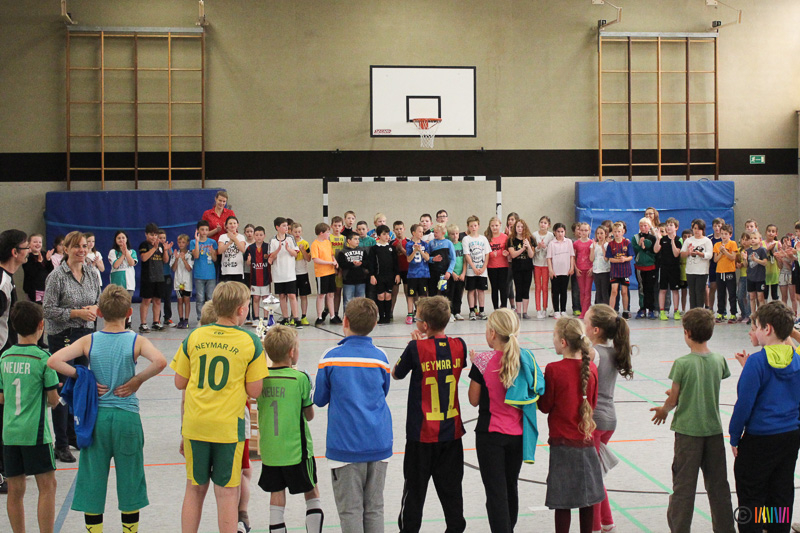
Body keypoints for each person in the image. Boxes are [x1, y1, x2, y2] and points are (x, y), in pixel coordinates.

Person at [48, 285, 167, 533]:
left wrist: (83, 377)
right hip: (127, 418)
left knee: (92, 480)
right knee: (130, 480)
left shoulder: (89, 340)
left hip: (97, 419)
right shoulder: (136, 340)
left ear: (99, 313)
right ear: (129, 313)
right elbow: (160, 361)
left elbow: (54, 360)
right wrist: (137, 380)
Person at [171, 281, 269, 533]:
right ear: (241, 310)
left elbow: (179, 382)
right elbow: (254, 390)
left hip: (195, 425)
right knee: (227, 492)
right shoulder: (250, 341)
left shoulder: (195, 336)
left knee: (194, 488)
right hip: (227, 428)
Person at [650, 308, 735, 533]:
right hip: (713, 430)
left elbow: (674, 399)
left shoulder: (682, 363)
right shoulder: (719, 360)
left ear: (687, 332)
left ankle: (680, 529)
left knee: (683, 488)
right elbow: (706, 385)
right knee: (719, 487)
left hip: (688, 434)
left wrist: (664, 410)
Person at [313, 298, 392, 533]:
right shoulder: (381, 357)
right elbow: (384, 391)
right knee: (375, 509)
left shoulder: (330, 357)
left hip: (345, 447)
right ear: (375, 323)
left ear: (344, 321)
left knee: (350, 511)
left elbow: (319, 399)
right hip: (378, 443)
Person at [393, 296, 468, 533]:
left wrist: (414, 346)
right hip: (451, 434)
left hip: (421, 436)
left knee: (414, 495)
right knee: (453, 495)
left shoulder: (416, 348)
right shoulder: (460, 345)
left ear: (424, 325)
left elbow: (396, 373)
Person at [729, 302, 800, 533]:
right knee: (780, 491)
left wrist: (734, 436)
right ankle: (776, 528)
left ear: (767, 329)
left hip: (760, 439)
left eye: (757, 327)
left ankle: (753, 528)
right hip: (790, 436)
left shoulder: (756, 362)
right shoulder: (798, 360)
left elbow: (744, 404)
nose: (755, 331)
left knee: (751, 492)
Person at [538, 317, 604, 533]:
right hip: (586, 441)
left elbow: (545, 406)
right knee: (587, 498)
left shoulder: (553, 369)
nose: (553, 341)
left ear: (563, 342)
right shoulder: (591, 368)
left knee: (562, 501)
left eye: (554, 337)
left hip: (562, 443)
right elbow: (592, 403)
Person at [257, 325, 324, 533]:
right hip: (297, 451)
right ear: (292, 352)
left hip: (270, 451)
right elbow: (309, 415)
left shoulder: (261, 379)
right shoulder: (300, 378)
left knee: (276, 495)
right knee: (311, 491)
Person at [0, 301, 59, 532]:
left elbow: (2, 397)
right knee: (47, 486)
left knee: (15, 490)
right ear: (41, 325)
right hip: (35, 434)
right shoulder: (43, 358)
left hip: (10, 432)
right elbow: (53, 399)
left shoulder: (4, 357)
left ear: (13, 326)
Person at [43, 230, 100, 463]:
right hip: (62, 336)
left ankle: (73, 434)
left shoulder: (92, 273)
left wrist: (95, 309)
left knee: (79, 385)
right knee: (62, 388)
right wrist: (76, 313)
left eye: (84, 246)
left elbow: (98, 301)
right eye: (76, 246)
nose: (81, 250)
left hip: (85, 335)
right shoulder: (56, 276)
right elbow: (48, 310)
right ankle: (61, 443)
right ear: (66, 249)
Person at [468, 308, 527, 532]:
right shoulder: (524, 359)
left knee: (495, 493)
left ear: (492, 333)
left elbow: (473, 400)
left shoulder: (483, 361)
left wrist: (475, 365)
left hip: (490, 436)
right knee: (511, 486)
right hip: (517, 435)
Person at [584, 304, 634, 533]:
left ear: (595, 330)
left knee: (592, 478)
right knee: (595, 475)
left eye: (586, 322)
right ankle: (607, 522)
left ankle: (595, 527)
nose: (583, 325)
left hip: (595, 420)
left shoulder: (593, 354)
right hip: (609, 420)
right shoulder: (614, 352)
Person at [269, 217, 302, 329]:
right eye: (283, 225)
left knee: (292, 295)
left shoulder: (290, 238)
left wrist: (288, 249)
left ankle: (296, 318)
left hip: (289, 273)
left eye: (287, 225)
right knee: (282, 296)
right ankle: (285, 317)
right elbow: (271, 257)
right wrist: (278, 250)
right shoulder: (272, 240)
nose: (286, 227)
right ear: (277, 227)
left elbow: (295, 254)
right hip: (278, 273)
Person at [138, 222, 167, 332]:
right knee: (146, 300)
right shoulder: (144, 245)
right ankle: (143, 323)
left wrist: (165, 250)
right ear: (146, 234)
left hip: (159, 277)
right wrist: (154, 248)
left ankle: (156, 322)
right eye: (151, 235)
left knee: (158, 300)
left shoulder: (160, 245)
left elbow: (165, 260)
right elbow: (144, 258)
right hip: (148, 277)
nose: (154, 237)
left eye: (155, 235)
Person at [367, 225, 400, 324]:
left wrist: (397, 274)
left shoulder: (391, 248)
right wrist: (372, 275)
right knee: (381, 296)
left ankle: (388, 317)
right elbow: (371, 263)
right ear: (379, 236)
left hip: (390, 276)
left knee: (388, 295)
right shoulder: (374, 249)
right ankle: (381, 317)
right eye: (384, 234)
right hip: (379, 276)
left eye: (388, 234)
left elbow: (395, 263)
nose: (386, 236)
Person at [680, 219, 713, 310]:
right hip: (690, 271)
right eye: (695, 228)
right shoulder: (688, 240)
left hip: (702, 271)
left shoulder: (707, 241)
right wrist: (689, 252)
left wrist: (701, 254)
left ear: (703, 230)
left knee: (700, 292)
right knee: (692, 293)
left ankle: (699, 311)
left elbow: (710, 255)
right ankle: (693, 311)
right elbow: (682, 254)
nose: (696, 231)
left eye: (699, 229)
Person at [462, 215, 491, 320]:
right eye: (471, 226)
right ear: (468, 227)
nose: (473, 228)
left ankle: (482, 311)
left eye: (475, 225)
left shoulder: (483, 239)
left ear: (478, 226)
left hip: (482, 270)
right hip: (471, 271)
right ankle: (472, 311)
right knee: (471, 290)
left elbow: (487, 254)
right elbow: (467, 254)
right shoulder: (466, 239)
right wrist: (473, 268)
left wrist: (483, 267)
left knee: (481, 290)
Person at [654, 218, 683, 320]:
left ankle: (676, 311)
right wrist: (658, 239)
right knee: (662, 290)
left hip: (674, 269)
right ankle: (662, 311)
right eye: (667, 225)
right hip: (664, 268)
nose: (668, 227)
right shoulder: (663, 239)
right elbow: (656, 250)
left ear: (676, 227)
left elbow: (676, 254)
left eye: (671, 225)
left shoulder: (678, 240)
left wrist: (672, 242)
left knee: (675, 290)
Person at [310, 223, 337, 326]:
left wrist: (335, 261)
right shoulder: (315, 244)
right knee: (321, 295)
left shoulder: (328, 242)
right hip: (321, 273)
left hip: (331, 272)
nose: (329, 234)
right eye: (327, 232)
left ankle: (332, 316)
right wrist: (329, 262)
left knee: (331, 294)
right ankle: (320, 316)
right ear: (321, 233)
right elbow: (316, 259)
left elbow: (331, 255)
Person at [547, 222, 575, 319]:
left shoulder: (569, 242)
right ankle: (556, 311)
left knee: (564, 291)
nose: (560, 233)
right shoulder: (551, 243)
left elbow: (572, 256)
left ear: (565, 232)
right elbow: (549, 258)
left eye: (562, 231)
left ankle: (563, 310)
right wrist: (550, 270)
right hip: (555, 272)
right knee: (555, 291)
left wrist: (571, 267)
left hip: (565, 271)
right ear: (554, 232)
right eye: (558, 231)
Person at [507, 219, 534, 319]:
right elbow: (513, 255)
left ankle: (525, 312)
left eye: (522, 227)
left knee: (526, 289)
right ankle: (518, 312)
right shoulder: (511, 239)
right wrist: (522, 248)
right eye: (518, 227)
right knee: (518, 289)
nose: (520, 229)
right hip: (517, 268)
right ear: (515, 228)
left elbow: (531, 255)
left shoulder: (530, 239)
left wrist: (528, 247)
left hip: (527, 268)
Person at [404, 224, 431, 324]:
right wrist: (415, 250)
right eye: (419, 231)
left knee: (423, 295)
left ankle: (422, 314)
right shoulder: (409, 244)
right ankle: (410, 314)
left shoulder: (425, 244)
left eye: (422, 231)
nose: (421, 233)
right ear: (413, 233)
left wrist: (420, 251)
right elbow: (408, 259)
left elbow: (427, 258)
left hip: (423, 273)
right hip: (412, 274)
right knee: (411, 295)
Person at [606, 222, 633, 319]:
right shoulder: (610, 244)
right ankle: (611, 311)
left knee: (624, 291)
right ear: (612, 232)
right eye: (615, 231)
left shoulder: (627, 243)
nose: (617, 233)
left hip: (625, 271)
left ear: (623, 232)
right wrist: (618, 260)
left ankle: (625, 311)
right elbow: (610, 259)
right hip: (615, 271)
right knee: (614, 291)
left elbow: (630, 256)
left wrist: (625, 259)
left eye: (619, 231)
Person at [632, 218, 657, 319]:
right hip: (639, 267)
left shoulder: (653, 238)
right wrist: (639, 245)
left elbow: (655, 251)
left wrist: (646, 249)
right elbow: (634, 250)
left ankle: (651, 309)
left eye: (645, 225)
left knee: (650, 288)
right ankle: (642, 308)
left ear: (649, 226)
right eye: (641, 226)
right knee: (641, 288)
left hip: (651, 267)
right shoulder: (635, 237)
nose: (643, 227)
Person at [713, 223, 739, 323]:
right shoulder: (717, 245)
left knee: (732, 293)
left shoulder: (733, 244)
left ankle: (733, 313)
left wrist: (725, 251)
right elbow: (715, 260)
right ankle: (721, 313)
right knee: (720, 294)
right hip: (720, 272)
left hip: (730, 272)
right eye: (722, 234)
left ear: (730, 235)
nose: (723, 236)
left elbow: (733, 257)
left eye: (726, 234)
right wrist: (721, 252)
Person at [107, 231, 138, 314]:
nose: (121, 240)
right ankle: (116, 321)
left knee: (127, 306)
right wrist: (123, 255)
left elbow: (132, 263)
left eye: (123, 238)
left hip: (129, 284)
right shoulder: (113, 252)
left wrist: (126, 252)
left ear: (126, 239)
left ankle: (128, 321)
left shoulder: (132, 252)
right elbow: (115, 265)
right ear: (115, 240)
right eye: (119, 238)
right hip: (117, 283)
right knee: (117, 306)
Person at [337, 230, 368, 313]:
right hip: (348, 280)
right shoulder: (342, 252)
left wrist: (361, 263)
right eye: (355, 239)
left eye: (358, 239)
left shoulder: (363, 250)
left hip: (361, 280)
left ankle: (359, 317)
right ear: (349, 240)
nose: (357, 241)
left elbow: (367, 262)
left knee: (360, 301)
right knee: (347, 301)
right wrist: (352, 263)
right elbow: (342, 264)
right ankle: (347, 317)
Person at [485, 217, 510, 311]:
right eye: (492, 226)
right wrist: (491, 254)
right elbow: (485, 252)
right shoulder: (487, 238)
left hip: (503, 266)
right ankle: (495, 308)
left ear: (500, 225)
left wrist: (507, 253)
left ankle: (504, 307)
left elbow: (509, 249)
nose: (494, 227)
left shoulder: (505, 237)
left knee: (503, 287)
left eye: (496, 225)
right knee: (494, 288)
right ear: (490, 226)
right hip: (491, 266)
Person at [171, 234, 194, 329]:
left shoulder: (190, 254)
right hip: (178, 282)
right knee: (180, 300)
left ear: (187, 243)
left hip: (187, 282)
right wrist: (176, 259)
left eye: (183, 242)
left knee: (187, 300)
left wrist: (184, 259)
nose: (181, 244)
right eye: (179, 242)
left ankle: (186, 320)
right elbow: (173, 268)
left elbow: (189, 268)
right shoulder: (175, 254)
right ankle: (181, 319)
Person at [22, 233, 52, 305]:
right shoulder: (27, 256)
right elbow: (31, 272)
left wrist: (48, 260)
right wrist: (39, 263)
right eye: (35, 242)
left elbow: (51, 271)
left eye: (40, 242)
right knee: (35, 308)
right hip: (33, 289)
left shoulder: (44, 254)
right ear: (29, 244)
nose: (38, 244)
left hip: (44, 288)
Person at [427, 223, 455, 299]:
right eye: (434, 232)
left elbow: (453, 259)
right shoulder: (431, 243)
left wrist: (449, 271)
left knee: (444, 293)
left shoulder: (448, 243)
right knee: (432, 292)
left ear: (443, 233)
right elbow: (426, 257)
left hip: (444, 272)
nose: (434, 234)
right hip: (433, 272)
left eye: (436, 232)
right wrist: (432, 259)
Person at [292, 222, 312, 326]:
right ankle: (293, 316)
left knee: (303, 296)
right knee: (293, 296)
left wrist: (302, 250)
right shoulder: (289, 243)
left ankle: (304, 316)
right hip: (291, 274)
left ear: (302, 232)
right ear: (291, 232)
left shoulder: (305, 243)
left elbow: (308, 259)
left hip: (303, 273)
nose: (297, 233)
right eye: (295, 232)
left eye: (299, 231)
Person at [218, 215, 247, 283]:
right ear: (226, 226)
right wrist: (229, 242)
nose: (232, 225)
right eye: (230, 223)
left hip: (238, 270)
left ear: (237, 225)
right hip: (226, 270)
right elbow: (220, 251)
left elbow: (243, 250)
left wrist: (235, 239)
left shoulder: (241, 237)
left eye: (234, 223)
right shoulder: (222, 237)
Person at [573, 222, 593, 319]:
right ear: (579, 231)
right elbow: (573, 257)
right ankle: (583, 311)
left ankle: (586, 312)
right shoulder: (576, 243)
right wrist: (576, 268)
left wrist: (592, 268)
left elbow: (594, 256)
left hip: (589, 270)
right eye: (582, 230)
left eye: (586, 230)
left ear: (589, 231)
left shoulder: (592, 243)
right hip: (580, 270)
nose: (584, 232)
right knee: (582, 291)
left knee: (587, 291)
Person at [392, 221, 412, 320]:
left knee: (408, 292)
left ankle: (410, 312)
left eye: (400, 229)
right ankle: (390, 312)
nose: (399, 231)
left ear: (404, 229)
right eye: (397, 229)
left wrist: (402, 249)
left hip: (407, 270)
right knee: (394, 292)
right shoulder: (391, 243)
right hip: (396, 271)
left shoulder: (409, 242)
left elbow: (410, 256)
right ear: (393, 230)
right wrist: (396, 249)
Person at [745, 231, 768, 315]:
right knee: (751, 297)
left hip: (760, 277)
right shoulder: (748, 250)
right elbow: (746, 265)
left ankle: (761, 315)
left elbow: (765, 262)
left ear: (760, 239)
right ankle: (753, 315)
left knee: (760, 297)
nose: (753, 240)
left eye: (755, 238)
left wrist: (756, 260)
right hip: (750, 277)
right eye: (751, 238)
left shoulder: (762, 250)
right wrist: (744, 259)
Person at [447, 224, 466, 320]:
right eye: (452, 234)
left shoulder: (461, 245)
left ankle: (457, 312)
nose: (455, 236)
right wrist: (452, 273)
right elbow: (447, 261)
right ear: (449, 235)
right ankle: (450, 312)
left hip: (460, 274)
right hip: (452, 274)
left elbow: (465, 260)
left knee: (459, 294)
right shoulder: (448, 246)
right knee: (450, 294)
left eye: (457, 233)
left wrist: (463, 273)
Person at [329, 216, 346, 322]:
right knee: (330, 292)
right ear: (331, 226)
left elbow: (345, 254)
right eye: (335, 225)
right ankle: (329, 312)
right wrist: (333, 266)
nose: (337, 228)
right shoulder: (328, 238)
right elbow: (328, 253)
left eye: (339, 226)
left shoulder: (344, 238)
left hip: (341, 269)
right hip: (330, 268)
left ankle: (336, 312)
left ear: (342, 227)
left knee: (338, 291)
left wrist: (341, 268)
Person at [706, 218, 724, 313]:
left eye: (719, 226)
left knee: (722, 289)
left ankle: (722, 309)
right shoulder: (709, 239)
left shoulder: (725, 238)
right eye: (715, 226)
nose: (717, 228)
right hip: (712, 266)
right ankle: (710, 308)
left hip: (723, 266)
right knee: (712, 287)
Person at [157, 229, 174, 327]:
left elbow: (171, 257)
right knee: (158, 299)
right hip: (158, 276)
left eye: (164, 238)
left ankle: (167, 318)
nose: (162, 239)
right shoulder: (155, 248)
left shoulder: (168, 247)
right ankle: (157, 319)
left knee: (167, 298)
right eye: (160, 238)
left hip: (167, 275)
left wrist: (168, 249)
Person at [590, 225, 610, 305]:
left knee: (604, 291)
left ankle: (606, 308)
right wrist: (593, 248)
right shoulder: (593, 245)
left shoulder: (608, 245)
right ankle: (598, 308)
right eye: (598, 233)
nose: (599, 235)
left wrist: (603, 249)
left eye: (601, 233)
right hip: (596, 271)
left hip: (605, 271)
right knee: (598, 291)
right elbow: (591, 259)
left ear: (606, 234)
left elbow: (606, 259)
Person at [736, 231, 752, 324]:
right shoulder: (739, 250)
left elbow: (750, 264)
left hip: (750, 276)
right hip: (742, 276)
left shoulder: (752, 250)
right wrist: (738, 264)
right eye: (743, 239)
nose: (744, 241)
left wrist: (744, 263)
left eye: (747, 239)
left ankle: (748, 315)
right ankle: (743, 313)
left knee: (749, 296)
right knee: (740, 296)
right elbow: (737, 262)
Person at [764, 224, 781, 303]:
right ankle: (765, 308)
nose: (771, 233)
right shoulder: (761, 243)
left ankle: (775, 309)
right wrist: (768, 249)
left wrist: (774, 252)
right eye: (769, 231)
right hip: (764, 273)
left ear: (776, 234)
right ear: (766, 232)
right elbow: (760, 255)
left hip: (775, 272)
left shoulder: (778, 244)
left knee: (774, 294)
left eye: (773, 231)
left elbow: (780, 257)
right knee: (765, 294)